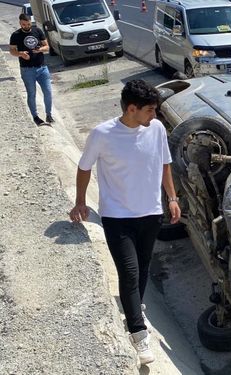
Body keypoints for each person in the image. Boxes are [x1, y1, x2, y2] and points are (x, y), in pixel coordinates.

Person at [69, 80, 181, 365]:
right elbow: (84, 167)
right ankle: (138, 333)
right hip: (117, 217)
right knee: (129, 272)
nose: (154, 116)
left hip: (151, 214)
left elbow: (165, 163)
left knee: (142, 268)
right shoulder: (103, 134)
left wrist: (172, 198)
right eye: (150, 111)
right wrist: (81, 201)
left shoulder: (155, 130)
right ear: (132, 109)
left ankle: (135, 309)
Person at [10, 13, 53, 126]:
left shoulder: (37, 31)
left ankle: (49, 114)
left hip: (42, 67)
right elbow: (12, 51)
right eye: (24, 24)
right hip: (27, 70)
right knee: (31, 93)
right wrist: (20, 54)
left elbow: (47, 46)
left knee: (48, 92)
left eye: (28, 24)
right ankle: (35, 117)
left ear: (31, 22)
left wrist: (40, 49)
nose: (26, 26)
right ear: (20, 23)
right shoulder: (15, 35)